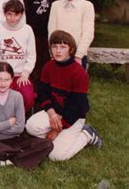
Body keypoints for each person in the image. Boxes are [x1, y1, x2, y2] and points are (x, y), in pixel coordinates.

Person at [26, 30, 102, 161]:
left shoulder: (79, 73)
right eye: (54, 46)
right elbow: (43, 93)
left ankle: (86, 134)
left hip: (73, 117)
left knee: (56, 156)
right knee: (31, 127)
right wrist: (52, 114)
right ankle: (60, 136)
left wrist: (58, 129)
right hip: (54, 112)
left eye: (63, 47)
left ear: (71, 49)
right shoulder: (48, 67)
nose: (58, 51)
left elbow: (79, 107)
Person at [0, 62, 53, 170]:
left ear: (12, 80)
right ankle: (24, 157)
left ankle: (8, 160)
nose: (3, 83)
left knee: (47, 144)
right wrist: (9, 123)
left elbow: (19, 128)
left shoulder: (17, 96)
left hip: (15, 139)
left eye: (7, 79)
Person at [48, 0, 94, 69]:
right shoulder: (56, 5)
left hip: (77, 55)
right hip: (58, 54)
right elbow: (51, 30)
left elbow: (88, 33)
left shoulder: (87, 6)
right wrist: (53, 53)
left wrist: (78, 56)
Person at [0, 0, 36, 112]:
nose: (12, 18)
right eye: (9, 14)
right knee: (2, 99)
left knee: (27, 97)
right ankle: (5, 119)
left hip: (20, 75)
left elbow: (31, 55)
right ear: (4, 14)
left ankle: (19, 117)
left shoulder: (27, 29)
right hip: (4, 74)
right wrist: (0, 73)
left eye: (16, 14)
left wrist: (25, 74)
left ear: (21, 15)